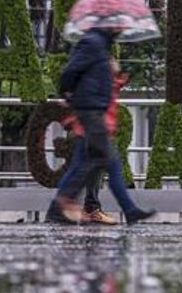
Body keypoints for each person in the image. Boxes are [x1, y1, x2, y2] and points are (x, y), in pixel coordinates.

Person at [47, 27, 156, 225]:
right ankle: (63, 205)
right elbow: (71, 72)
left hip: (95, 114)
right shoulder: (93, 43)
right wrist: (66, 93)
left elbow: (98, 82)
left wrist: (114, 72)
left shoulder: (102, 46)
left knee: (89, 164)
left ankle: (58, 208)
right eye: (118, 23)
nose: (122, 27)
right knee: (106, 163)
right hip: (91, 114)